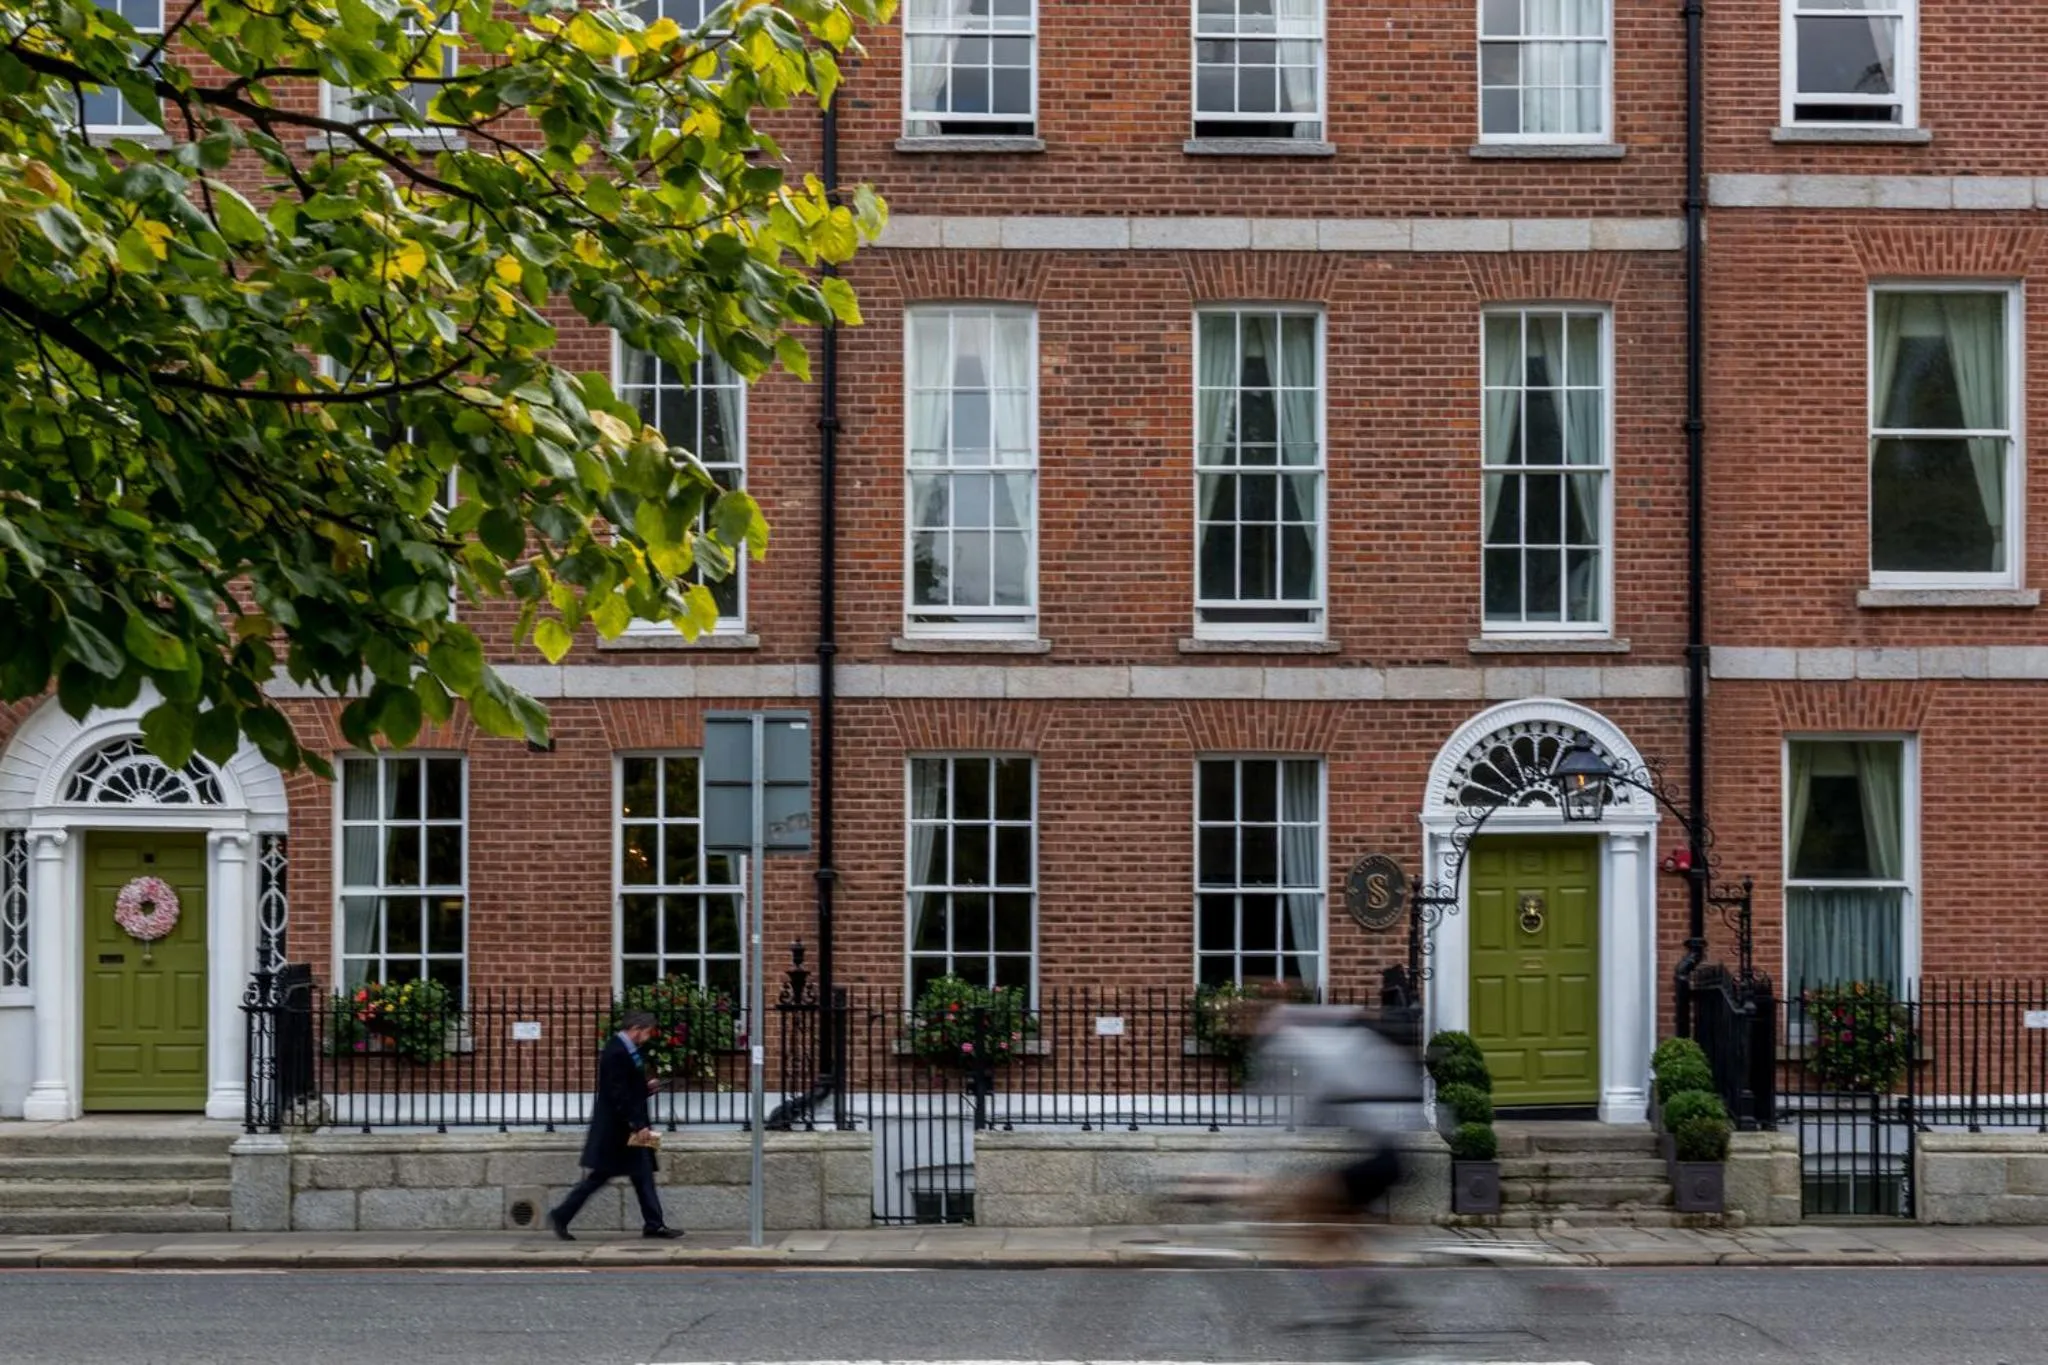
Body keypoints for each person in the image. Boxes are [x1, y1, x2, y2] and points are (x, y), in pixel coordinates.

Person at [548, 1010, 684, 1240]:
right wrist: (637, 1124)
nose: (648, 1037)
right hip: (619, 1130)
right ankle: (561, 1214)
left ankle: (654, 1224)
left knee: (643, 1174)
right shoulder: (616, 1052)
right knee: (599, 1177)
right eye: (648, 1032)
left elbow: (629, 1088)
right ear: (636, 1029)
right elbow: (618, 1094)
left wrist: (647, 1087)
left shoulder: (627, 1050)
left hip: (628, 1127)